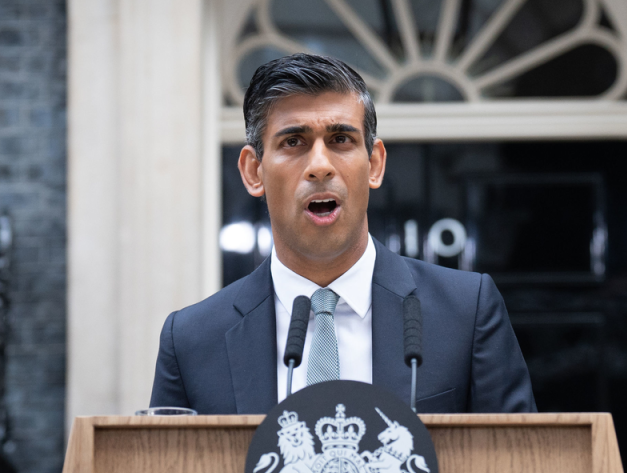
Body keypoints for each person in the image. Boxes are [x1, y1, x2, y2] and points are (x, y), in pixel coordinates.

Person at [150, 53, 536, 415]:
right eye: (293, 141)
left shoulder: (467, 312)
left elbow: (519, 472)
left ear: (374, 164)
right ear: (254, 171)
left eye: (340, 140)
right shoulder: (190, 341)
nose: (320, 166)